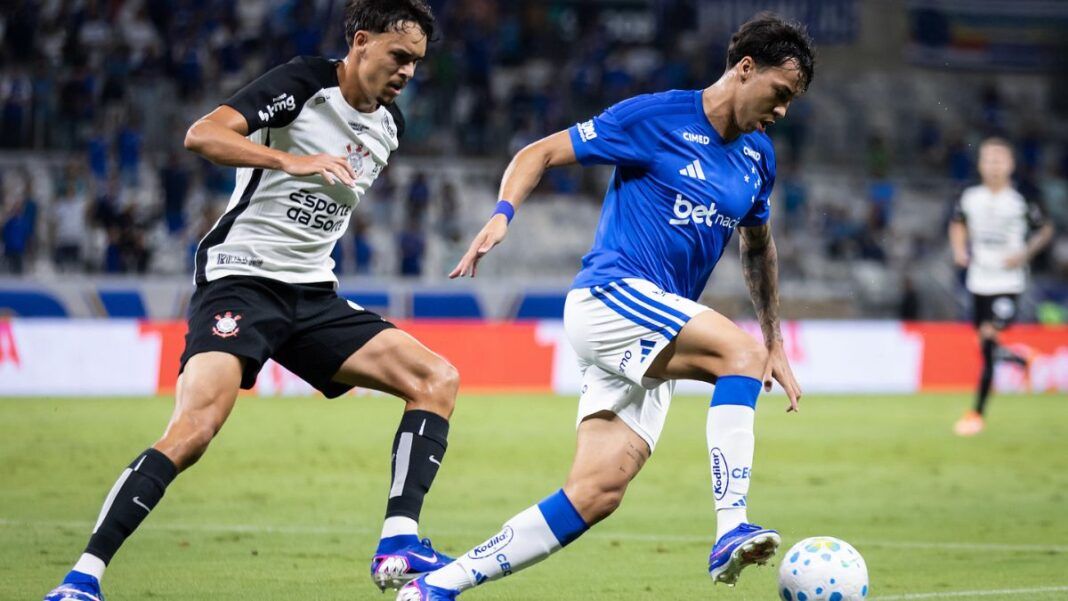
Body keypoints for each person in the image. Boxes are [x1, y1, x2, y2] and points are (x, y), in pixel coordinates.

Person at [44, 3, 459, 600]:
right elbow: (203, 134)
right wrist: (290, 158)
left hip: (312, 293)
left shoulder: (389, 128)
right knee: (193, 430)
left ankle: (397, 542)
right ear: (362, 42)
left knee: (436, 379)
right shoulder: (303, 85)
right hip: (241, 280)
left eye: (416, 63)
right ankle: (81, 580)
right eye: (399, 56)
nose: (407, 73)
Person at [399, 13, 812, 600]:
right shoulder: (654, 117)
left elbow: (758, 247)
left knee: (595, 493)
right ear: (745, 69)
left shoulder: (758, 158)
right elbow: (537, 153)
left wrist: (775, 338)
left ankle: (439, 586)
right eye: (781, 93)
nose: (783, 111)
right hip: (611, 298)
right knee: (737, 356)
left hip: (653, 328)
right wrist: (502, 215)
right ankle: (731, 527)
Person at [949, 137, 1053, 436]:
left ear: (1010, 165)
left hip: (1008, 282)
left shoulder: (1021, 200)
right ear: (981, 165)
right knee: (986, 348)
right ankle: (1021, 359)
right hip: (979, 280)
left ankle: (975, 414)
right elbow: (957, 223)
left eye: (999, 160)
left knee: (989, 335)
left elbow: (1044, 229)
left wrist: (1024, 254)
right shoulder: (970, 197)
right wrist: (959, 250)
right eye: (988, 160)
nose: (993, 165)